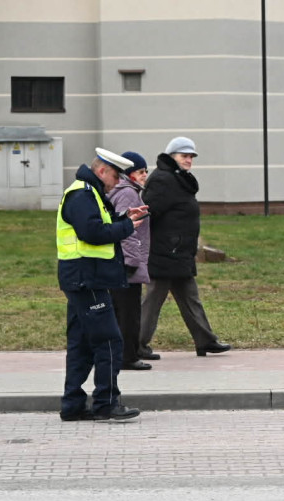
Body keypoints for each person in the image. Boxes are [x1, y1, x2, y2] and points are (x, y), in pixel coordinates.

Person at [57, 148, 148, 422]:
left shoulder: (89, 192)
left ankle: (72, 405)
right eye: (116, 175)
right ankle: (106, 403)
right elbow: (93, 233)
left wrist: (124, 219)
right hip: (88, 279)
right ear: (101, 171)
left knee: (81, 343)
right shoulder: (84, 195)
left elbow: (100, 226)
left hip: (83, 277)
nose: (118, 181)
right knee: (109, 340)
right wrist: (128, 228)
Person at [139, 136, 231, 359]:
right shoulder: (163, 179)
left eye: (191, 156)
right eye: (184, 156)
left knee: (190, 298)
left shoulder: (178, 178)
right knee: (153, 301)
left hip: (179, 253)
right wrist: (167, 244)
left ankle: (205, 341)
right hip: (165, 253)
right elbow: (149, 214)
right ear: (172, 157)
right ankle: (135, 345)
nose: (189, 160)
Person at [107, 151, 152, 371]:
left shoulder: (128, 191)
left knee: (123, 310)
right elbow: (127, 229)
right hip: (127, 263)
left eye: (146, 171)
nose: (145, 175)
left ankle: (125, 354)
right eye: (141, 171)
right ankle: (128, 356)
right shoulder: (128, 194)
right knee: (128, 312)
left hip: (123, 261)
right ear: (129, 173)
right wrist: (132, 262)